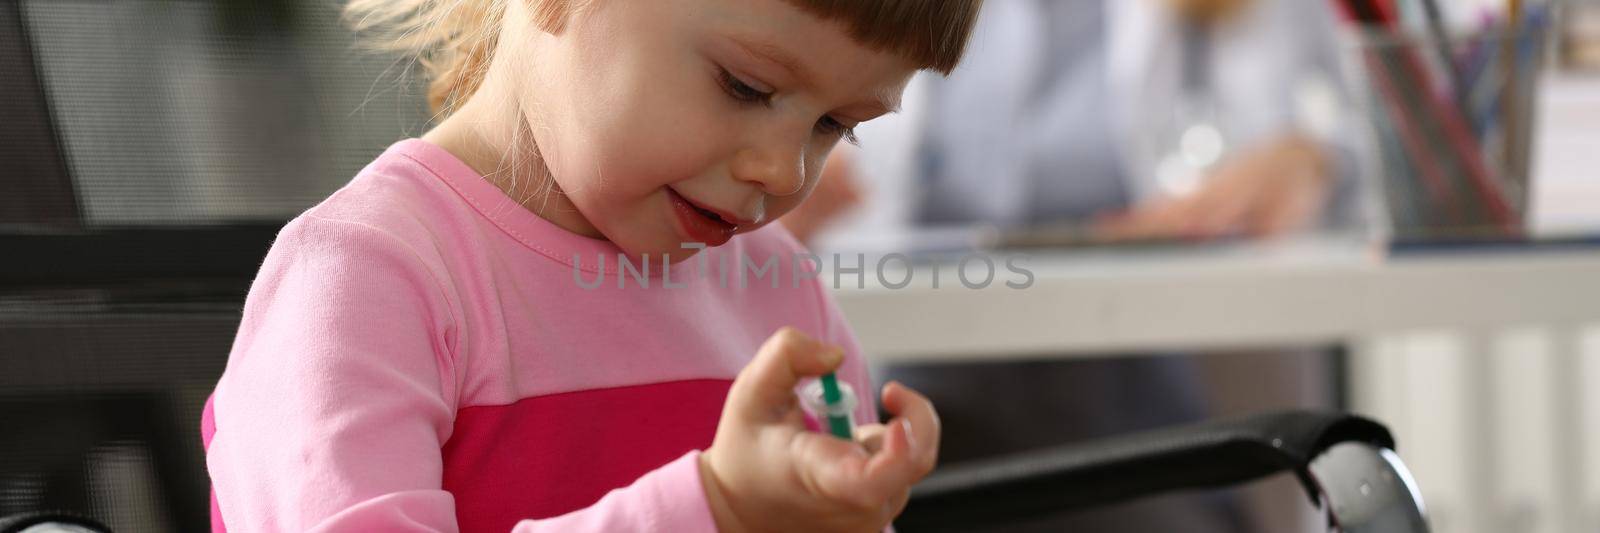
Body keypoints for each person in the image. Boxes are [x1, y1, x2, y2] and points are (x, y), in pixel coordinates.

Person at [200, 0, 980, 531]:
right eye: (746, 86)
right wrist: (715, 507)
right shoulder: (368, 280)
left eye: (834, 125)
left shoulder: (777, 287)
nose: (783, 172)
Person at [787, 1, 1357, 531]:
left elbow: (1369, 117)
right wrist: (795, 155)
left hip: (1159, 408)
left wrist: (1312, 162)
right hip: (909, 391)